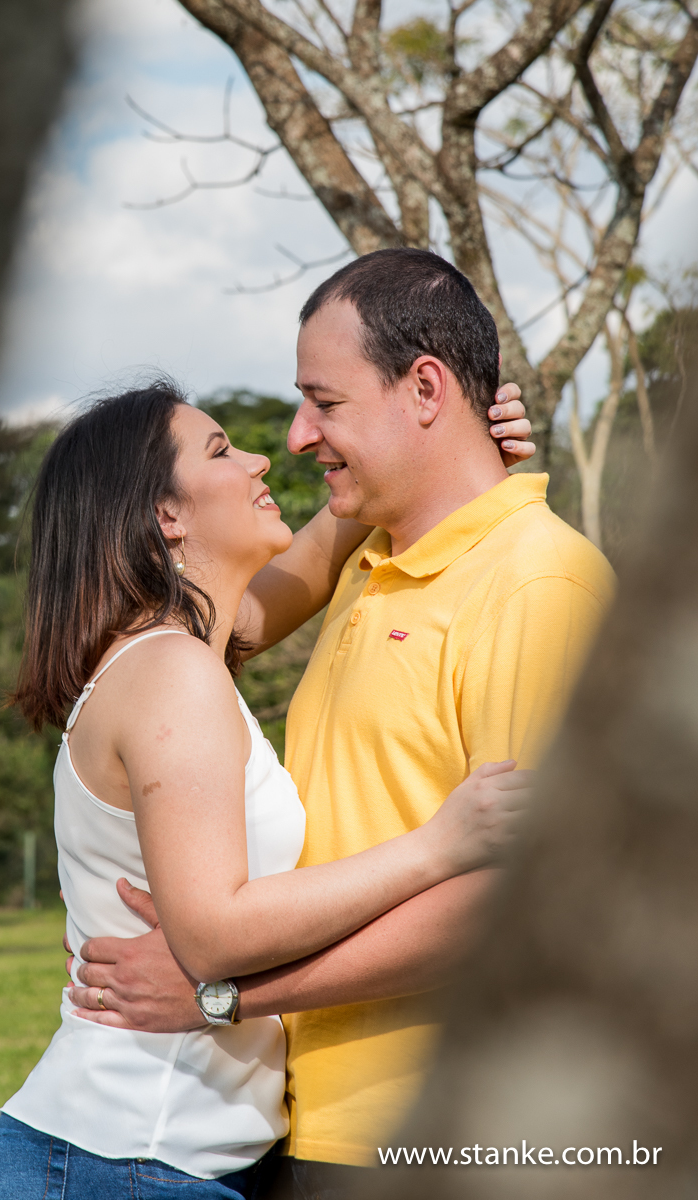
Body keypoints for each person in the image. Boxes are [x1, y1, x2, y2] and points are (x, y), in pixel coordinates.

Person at [68, 250, 618, 1198]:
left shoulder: (537, 583)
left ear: (424, 387)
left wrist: (225, 995)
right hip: (305, 1129)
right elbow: (225, 612)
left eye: (324, 402)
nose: (293, 435)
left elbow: (521, 902)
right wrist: (407, 460)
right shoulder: (369, 564)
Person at [0, 377, 534, 1199]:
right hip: (123, 1163)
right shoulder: (171, 674)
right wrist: (436, 847)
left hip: (151, 1160)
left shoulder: (170, 655)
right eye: (223, 450)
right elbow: (215, 938)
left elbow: (286, 586)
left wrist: (440, 453)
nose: (263, 456)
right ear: (168, 516)